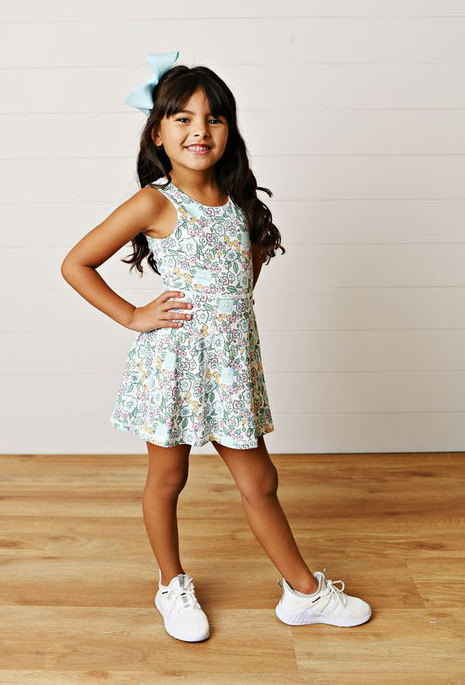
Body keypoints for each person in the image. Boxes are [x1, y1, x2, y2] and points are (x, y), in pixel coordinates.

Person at [61, 51, 372, 643]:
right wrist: (133, 315)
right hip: (175, 364)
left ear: (230, 131)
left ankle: (303, 593)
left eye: (213, 118)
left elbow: (240, 284)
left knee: (261, 481)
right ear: (158, 133)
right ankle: (171, 584)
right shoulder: (155, 202)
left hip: (229, 370)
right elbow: (75, 263)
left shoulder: (239, 203)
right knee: (168, 478)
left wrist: (229, 325)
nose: (199, 130)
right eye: (182, 118)